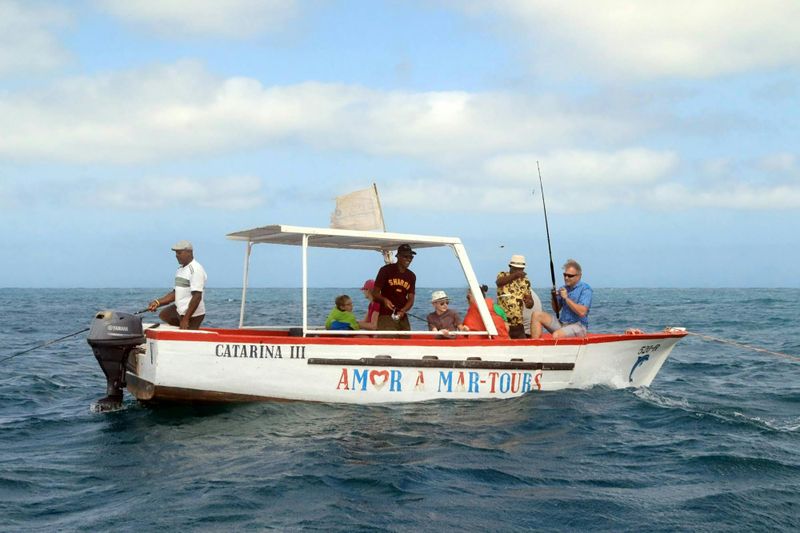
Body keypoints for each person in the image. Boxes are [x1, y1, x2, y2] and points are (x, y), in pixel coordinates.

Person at [147, 240, 207, 330]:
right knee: (164, 315)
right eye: (176, 253)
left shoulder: (195, 269)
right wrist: (157, 302)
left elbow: (197, 297)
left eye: (179, 253)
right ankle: (181, 326)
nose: (176, 256)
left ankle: (186, 326)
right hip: (180, 310)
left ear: (189, 252)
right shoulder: (180, 270)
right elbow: (175, 293)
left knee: (186, 337)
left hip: (193, 314)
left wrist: (186, 319)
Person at [530, 259, 592, 339]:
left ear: (579, 276)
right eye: (565, 275)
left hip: (579, 326)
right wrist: (553, 297)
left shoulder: (585, 289)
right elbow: (556, 310)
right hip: (562, 324)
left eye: (570, 276)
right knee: (536, 315)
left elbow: (582, 312)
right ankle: (535, 347)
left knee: (557, 335)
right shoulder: (563, 288)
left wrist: (566, 298)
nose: (566, 278)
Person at [372, 244, 416, 332]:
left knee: (406, 342)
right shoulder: (385, 270)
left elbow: (411, 299)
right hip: (386, 315)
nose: (408, 259)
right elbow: (375, 293)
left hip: (402, 316)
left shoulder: (411, 276)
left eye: (411, 257)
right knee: (388, 341)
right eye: (405, 256)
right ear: (398, 256)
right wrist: (384, 300)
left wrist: (403, 311)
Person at [496, 254, 533, 339]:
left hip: (518, 326)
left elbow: (530, 303)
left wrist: (529, 302)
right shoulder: (503, 275)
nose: (518, 271)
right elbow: (499, 282)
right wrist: (515, 275)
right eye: (516, 268)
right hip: (503, 323)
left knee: (522, 348)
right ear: (510, 266)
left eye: (521, 269)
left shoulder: (525, 281)